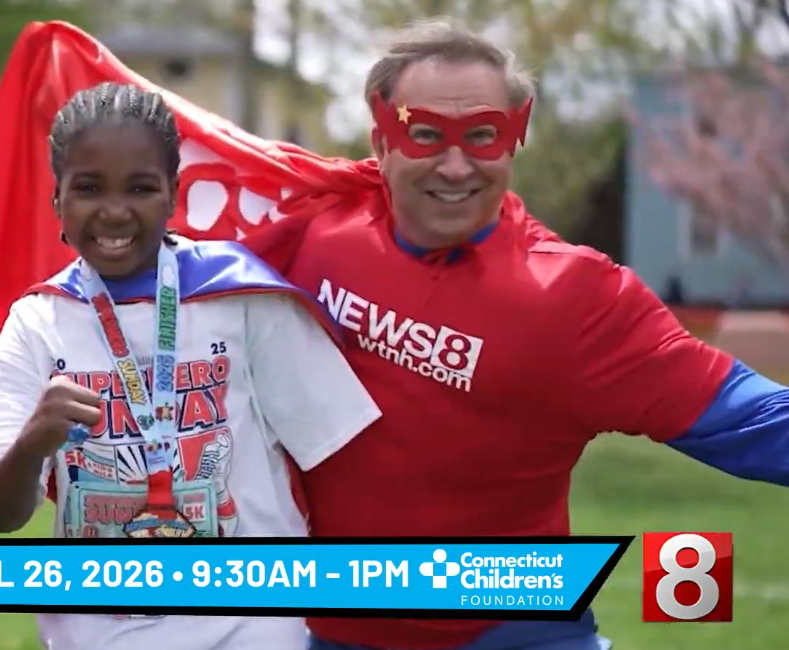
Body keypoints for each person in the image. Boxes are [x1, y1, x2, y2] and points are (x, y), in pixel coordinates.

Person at [237, 19, 789, 650]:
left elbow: (752, 420)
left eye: (481, 135)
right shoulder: (311, 228)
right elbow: (162, 283)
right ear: (381, 143)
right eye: (424, 135)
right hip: (324, 628)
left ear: (512, 142)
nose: (454, 164)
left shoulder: (576, 298)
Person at [0, 82, 382, 650]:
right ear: (57, 200)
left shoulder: (241, 295)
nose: (115, 211)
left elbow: (340, 462)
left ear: (173, 195)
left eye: (140, 188)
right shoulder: (35, 324)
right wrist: (31, 445)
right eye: (89, 188)